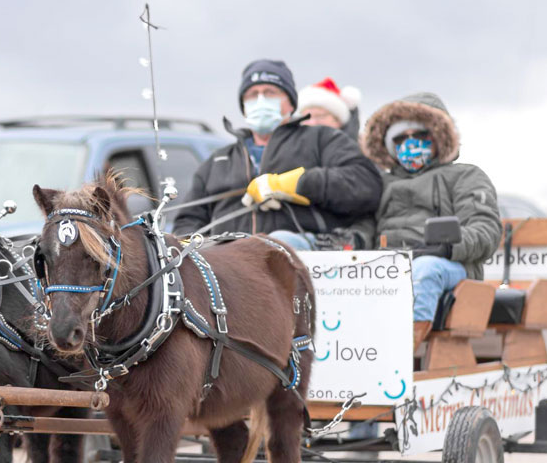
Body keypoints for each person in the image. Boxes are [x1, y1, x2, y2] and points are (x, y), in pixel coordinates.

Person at [172, 59, 382, 251]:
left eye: (270, 92)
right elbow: (188, 221)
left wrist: (295, 184)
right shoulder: (218, 161)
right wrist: (198, 247)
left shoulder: (322, 139)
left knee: (278, 242)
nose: (260, 100)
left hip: (304, 261)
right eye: (252, 94)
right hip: (230, 267)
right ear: (243, 106)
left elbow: (366, 185)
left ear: (291, 103)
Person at [360, 92, 502, 346]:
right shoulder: (378, 184)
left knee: (425, 270)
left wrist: (447, 246)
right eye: (401, 138)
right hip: (387, 265)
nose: (410, 143)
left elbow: (485, 228)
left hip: (449, 264)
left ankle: (404, 348)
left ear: (439, 136)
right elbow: (363, 226)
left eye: (420, 135)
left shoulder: (466, 176)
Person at [296, 77, 362, 140]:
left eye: (319, 116)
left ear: (338, 120)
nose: (312, 123)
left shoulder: (360, 147)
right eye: (306, 117)